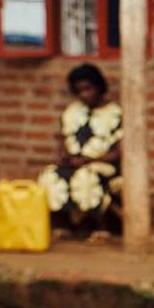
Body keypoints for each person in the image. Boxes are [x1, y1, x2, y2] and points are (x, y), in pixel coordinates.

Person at [38, 63, 124, 237]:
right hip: (77, 161)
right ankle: (65, 225)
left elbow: (118, 152)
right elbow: (63, 139)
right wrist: (65, 157)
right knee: (50, 175)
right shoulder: (72, 112)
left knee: (87, 178)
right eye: (79, 91)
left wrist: (90, 160)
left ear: (99, 87)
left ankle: (99, 227)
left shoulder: (115, 113)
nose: (85, 95)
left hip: (103, 164)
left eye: (88, 89)